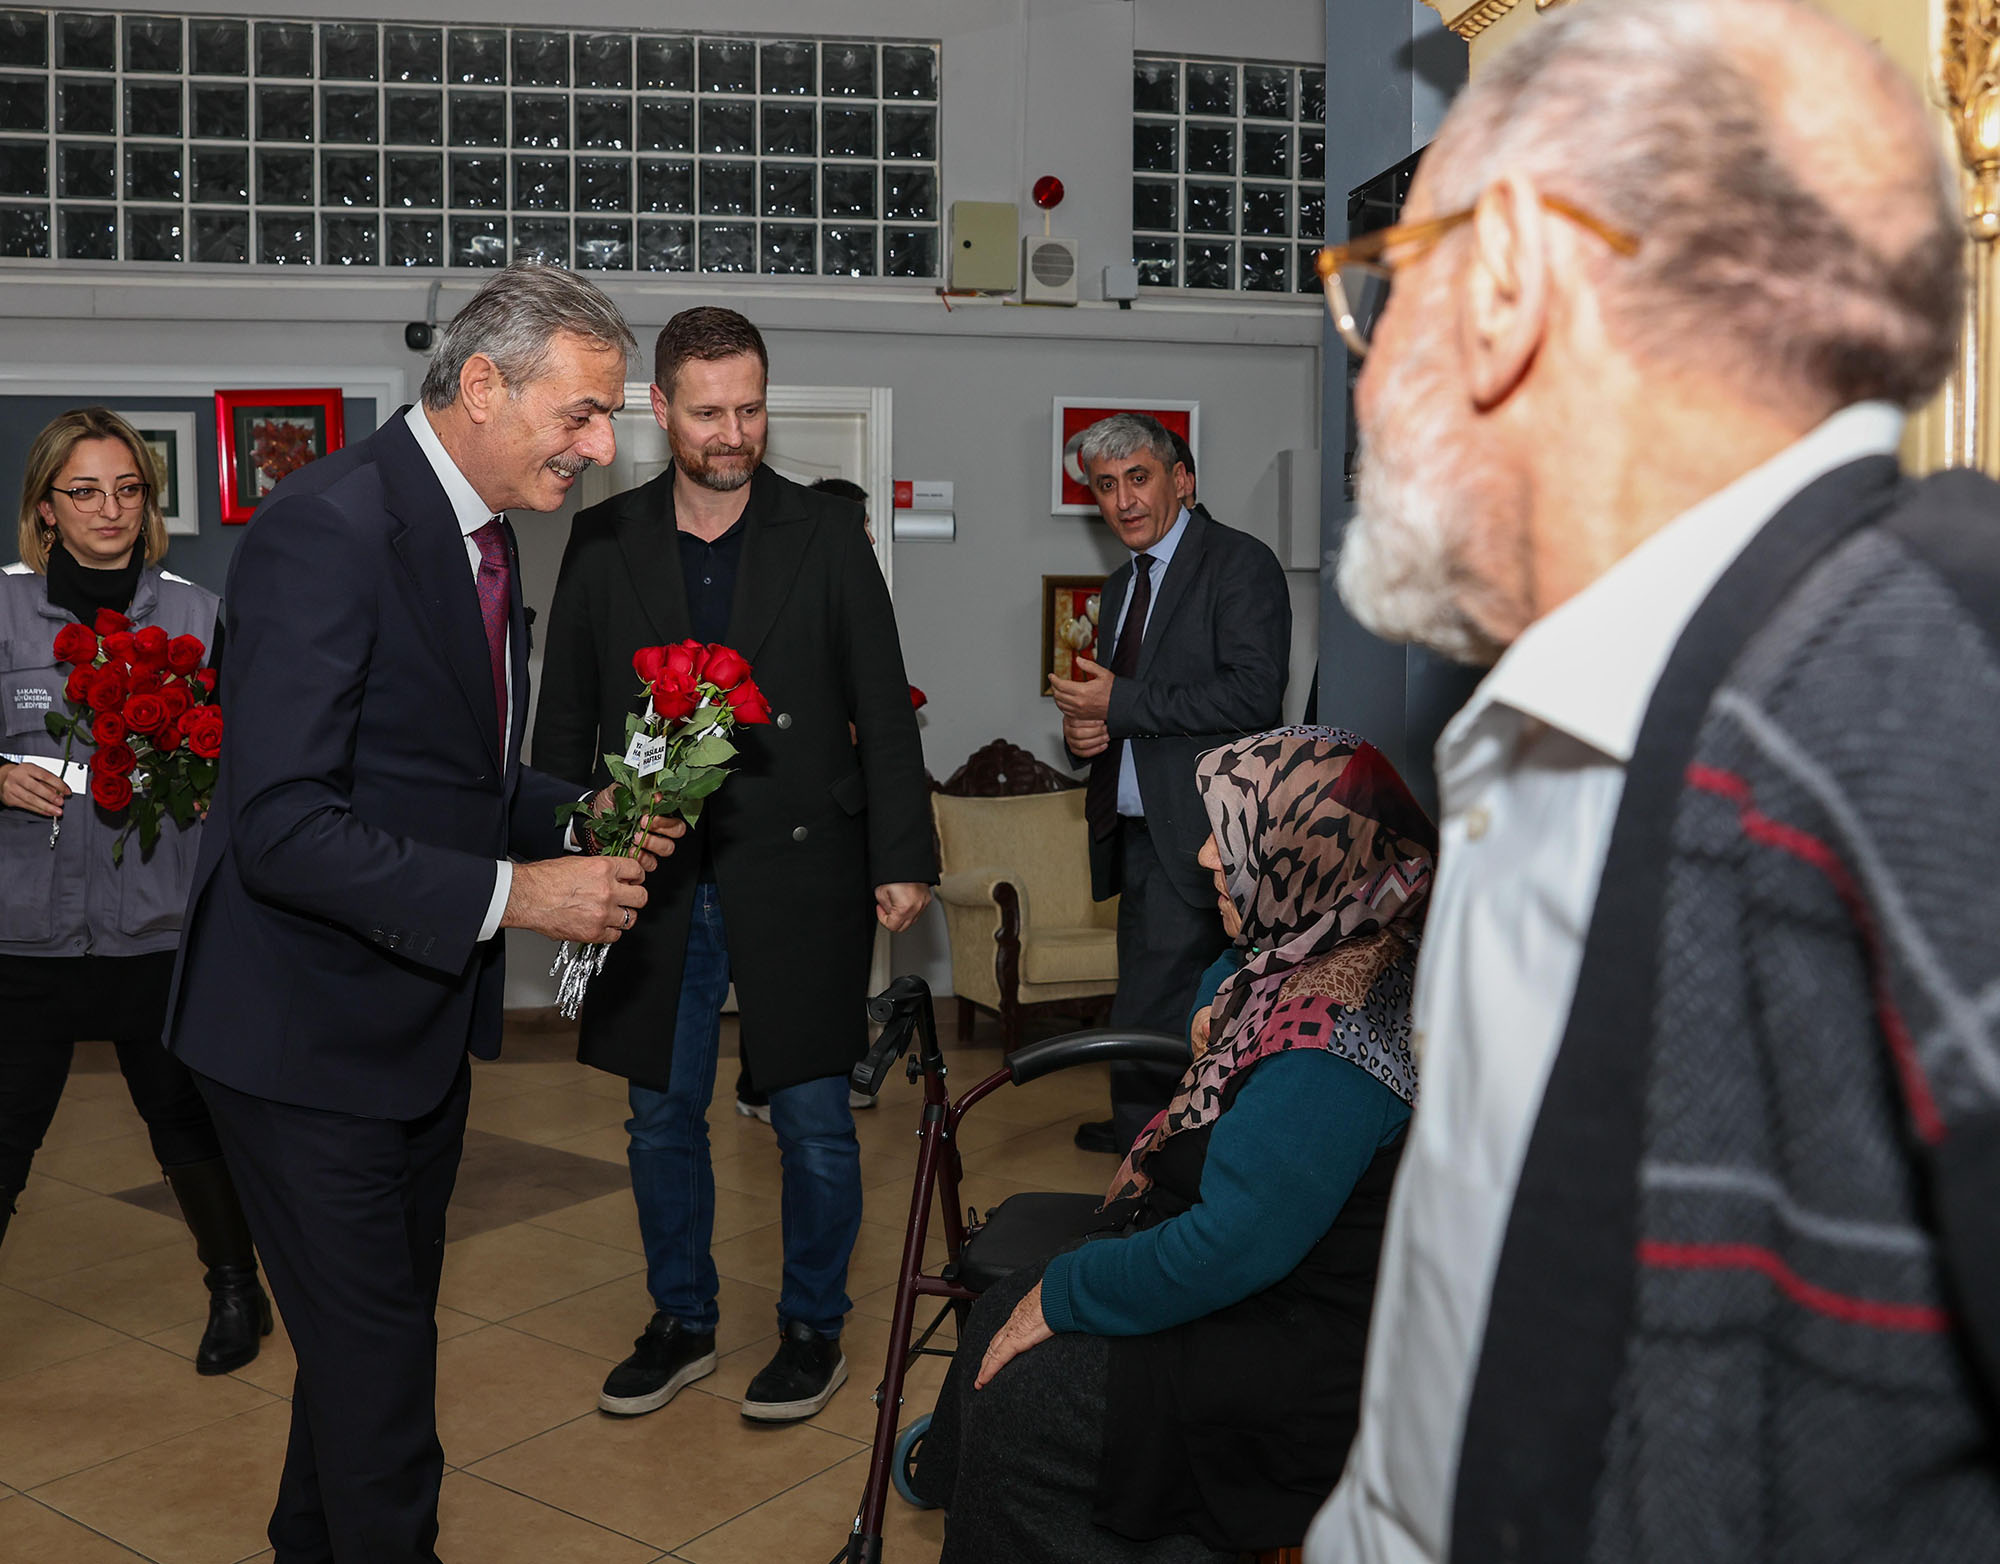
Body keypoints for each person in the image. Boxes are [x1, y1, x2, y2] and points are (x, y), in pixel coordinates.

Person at [1306, 3, 1998, 1561]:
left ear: (1503, 290)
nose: (1364, 383)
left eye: (1381, 300)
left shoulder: (1924, 687)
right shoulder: (1556, 713)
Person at [167, 264, 681, 1564]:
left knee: (362, 1362)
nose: (602, 445)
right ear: (484, 384)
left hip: (407, 1035)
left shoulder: (487, 531)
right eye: (582, 415)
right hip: (299, 1042)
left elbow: (456, 774)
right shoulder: (328, 528)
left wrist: (575, 818)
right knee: (387, 1387)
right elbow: (282, 824)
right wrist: (521, 895)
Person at [534, 306, 936, 1426]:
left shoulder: (823, 533)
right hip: (652, 875)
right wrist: (565, 849)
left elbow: (880, 705)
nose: (731, 432)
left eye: (749, 408)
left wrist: (903, 854)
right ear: (658, 410)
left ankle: (812, 1327)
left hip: (800, 866)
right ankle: (684, 1319)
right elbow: (563, 713)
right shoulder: (604, 540)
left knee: (810, 1113)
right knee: (659, 1116)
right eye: (707, 412)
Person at [914, 727, 1434, 1561]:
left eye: (1232, 838)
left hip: (1301, 1347)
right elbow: (1233, 973)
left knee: (1030, 1393)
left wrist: (1072, 1288)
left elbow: (1231, 1247)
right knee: (1006, 1313)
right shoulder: (1335, 940)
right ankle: (962, 1485)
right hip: (1276, 1287)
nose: (1203, 857)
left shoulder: (1329, 1048)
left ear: (1307, 857)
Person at [0, 407, 269, 1376]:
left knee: (184, 1120)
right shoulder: (2, 608)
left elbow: (245, 754)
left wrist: (214, 792)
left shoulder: (196, 614)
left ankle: (236, 1288)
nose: (108, 508)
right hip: (23, 933)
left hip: (156, 927)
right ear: (44, 508)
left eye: (127, 489)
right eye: (85, 491)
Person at [1049, 413, 1290, 1153]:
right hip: (1139, 836)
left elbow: (1253, 694)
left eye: (1139, 478)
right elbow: (1129, 707)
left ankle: (1148, 1160)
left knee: (1161, 1010)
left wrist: (1118, 704)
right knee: (1153, 1006)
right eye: (1105, 486)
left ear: (1181, 480)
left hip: (1207, 837)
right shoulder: (1123, 586)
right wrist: (1089, 733)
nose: (1122, 500)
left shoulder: (1239, 563)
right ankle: (1152, 1141)